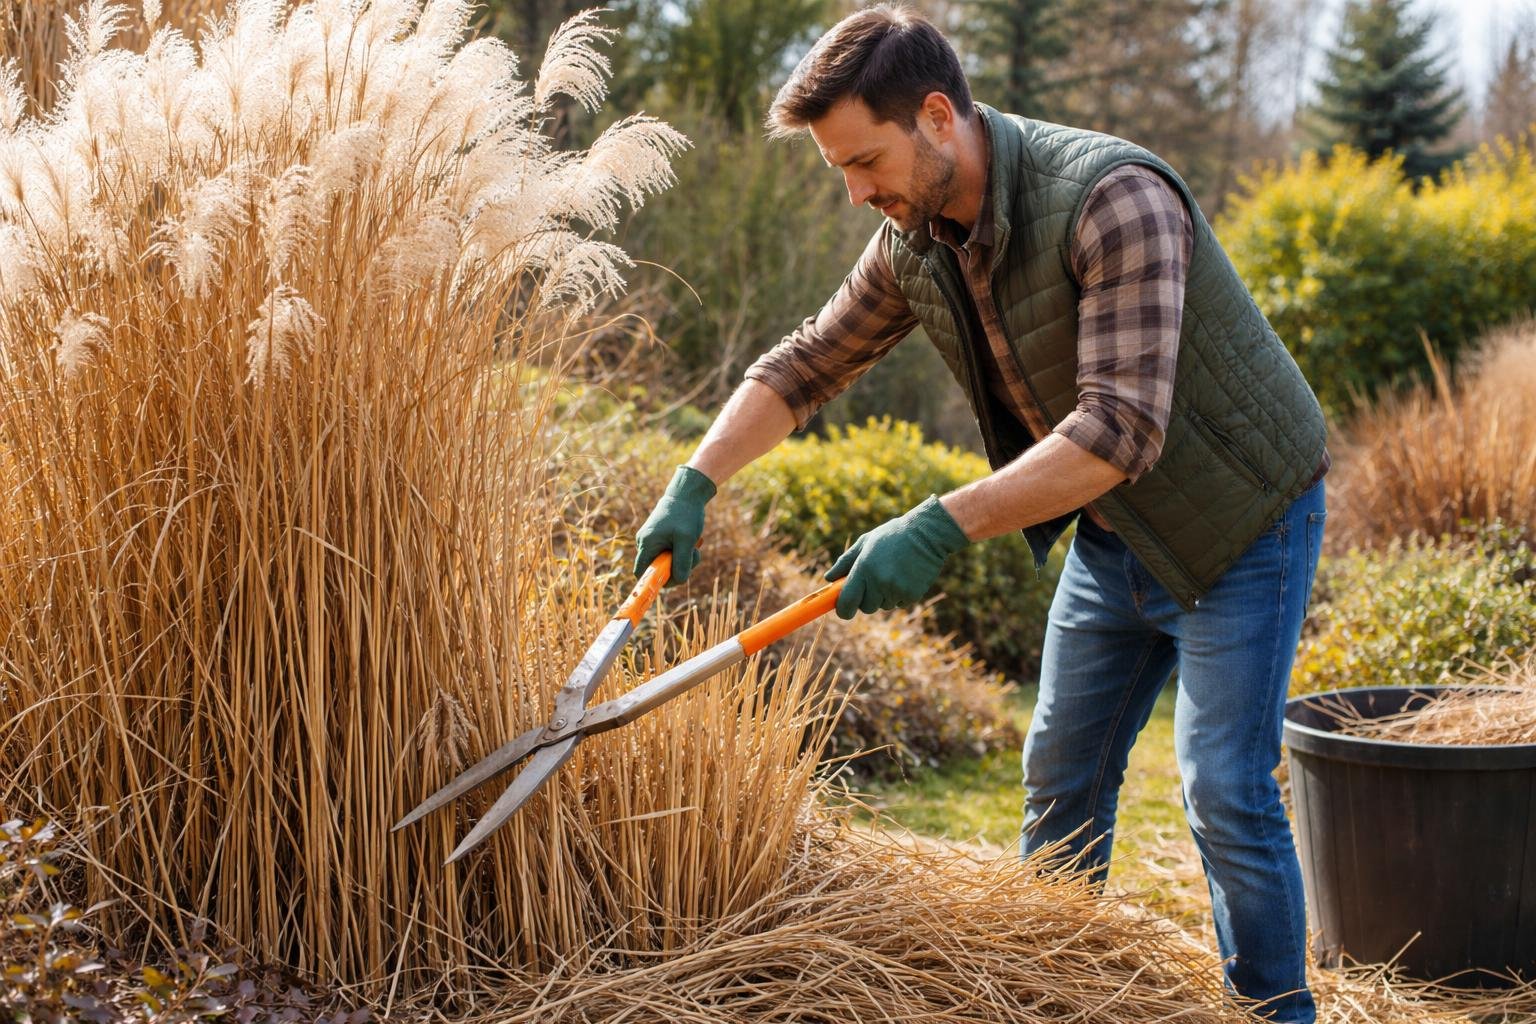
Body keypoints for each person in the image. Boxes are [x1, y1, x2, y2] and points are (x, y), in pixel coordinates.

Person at [630, 5, 1328, 1021]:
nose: (859, 190)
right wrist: (695, 479)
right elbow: (807, 362)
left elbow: (1121, 432)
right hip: (1116, 528)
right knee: (1059, 774)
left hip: (1241, 520)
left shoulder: (1111, 198)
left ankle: (1277, 1011)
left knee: (1223, 789)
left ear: (936, 115)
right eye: (841, 172)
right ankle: (1056, 991)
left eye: (866, 160)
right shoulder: (913, 235)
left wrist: (941, 522)